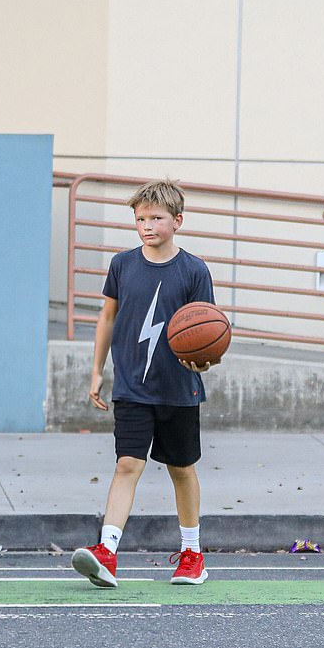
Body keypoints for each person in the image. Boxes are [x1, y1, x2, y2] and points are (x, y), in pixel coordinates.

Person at [71, 179, 217, 588]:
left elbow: (207, 329)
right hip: (132, 386)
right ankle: (107, 553)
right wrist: (97, 369)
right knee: (127, 463)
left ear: (178, 221)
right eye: (140, 218)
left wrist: (203, 361)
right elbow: (107, 318)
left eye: (156, 218)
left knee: (181, 469)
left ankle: (192, 554)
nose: (147, 225)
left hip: (178, 389)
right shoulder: (122, 264)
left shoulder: (194, 270)